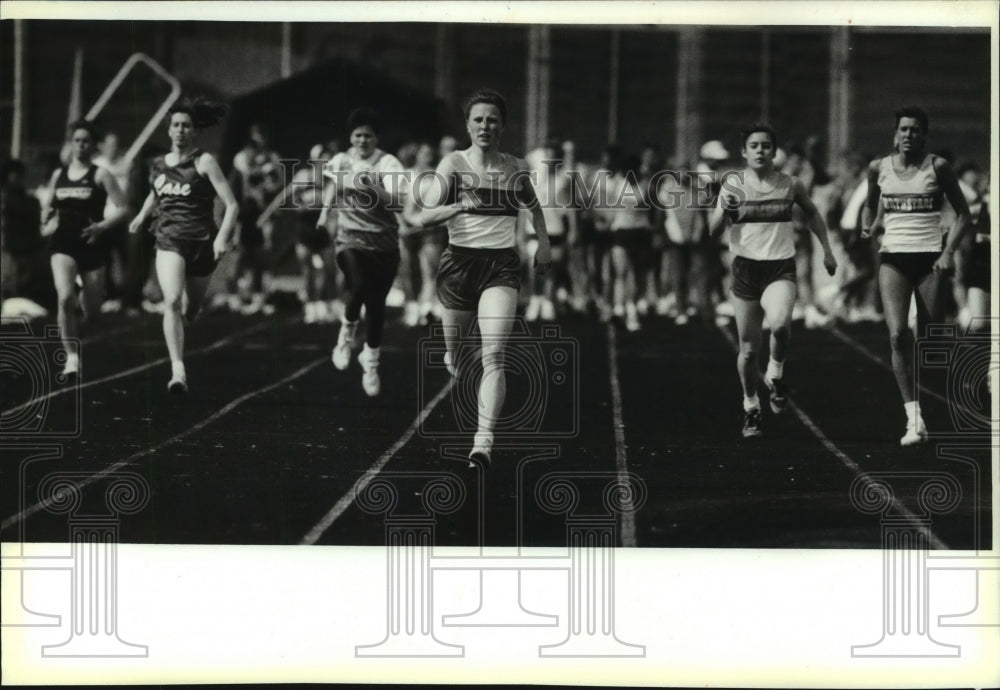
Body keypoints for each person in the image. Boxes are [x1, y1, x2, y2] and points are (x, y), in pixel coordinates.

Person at [407, 88, 552, 466]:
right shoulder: (452, 164)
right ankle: (452, 354)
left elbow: (535, 210)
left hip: (501, 266)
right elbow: (425, 217)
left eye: (492, 119)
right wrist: (458, 205)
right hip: (458, 265)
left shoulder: (517, 167)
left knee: (494, 355)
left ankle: (482, 440)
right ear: (468, 126)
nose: (485, 126)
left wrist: (544, 245)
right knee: (456, 351)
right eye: (478, 120)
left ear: (502, 125)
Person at [710, 123, 837, 438]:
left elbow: (813, 214)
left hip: (779, 267)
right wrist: (724, 213)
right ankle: (751, 406)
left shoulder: (790, 184)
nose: (760, 150)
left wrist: (828, 251)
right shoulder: (732, 186)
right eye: (753, 146)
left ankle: (776, 373)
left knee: (780, 325)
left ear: (773, 151)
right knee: (749, 350)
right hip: (745, 271)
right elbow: (712, 231)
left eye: (765, 145)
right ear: (744, 152)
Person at [861, 106, 972, 446]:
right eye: (903, 130)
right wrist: (871, 222)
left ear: (924, 134)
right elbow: (872, 203)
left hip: (929, 261)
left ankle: (935, 398)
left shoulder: (938, 167)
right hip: (893, 259)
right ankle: (913, 418)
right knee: (896, 336)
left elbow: (964, 214)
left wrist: (947, 252)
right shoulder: (878, 168)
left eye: (915, 130)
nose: (908, 135)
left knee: (929, 339)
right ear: (895, 135)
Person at [128, 98, 238, 394]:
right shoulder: (159, 164)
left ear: (194, 131)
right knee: (172, 301)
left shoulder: (204, 162)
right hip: (169, 240)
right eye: (175, 125)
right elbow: (156, 192)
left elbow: (231, 204)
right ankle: (178, 371)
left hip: (202, 243)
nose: (180, 130)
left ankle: (183, 324)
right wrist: (141, 215)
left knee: (191, 310)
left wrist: (221, 237)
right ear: (169, 130)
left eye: (186, 126)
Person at [316, 107, 406, 397]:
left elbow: (397, 204)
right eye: (358, 135)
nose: (363, 140)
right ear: (351, 137)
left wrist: (374, 186)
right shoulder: (341, 160)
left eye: (368, 135)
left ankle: (371, 359)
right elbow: (332, 186)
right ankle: (345, 337)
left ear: (376, 138)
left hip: (383, 243)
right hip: (349, 239)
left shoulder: (388, 163)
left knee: (377, 304)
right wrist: (324, 212)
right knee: (358, 286)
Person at [40, 120, 130, 379]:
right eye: (76, 141)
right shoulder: (59, 175)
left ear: (93, 145)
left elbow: (123, 208)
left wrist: (101, 227)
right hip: (63, 244)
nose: (80, 146)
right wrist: (47, 216)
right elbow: (49, 206)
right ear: (71, 144)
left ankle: (88, 297)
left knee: (92, 312)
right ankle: (71, 358)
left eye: (85, 141)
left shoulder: (101, 174)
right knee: (64, 297)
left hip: (91, 244)